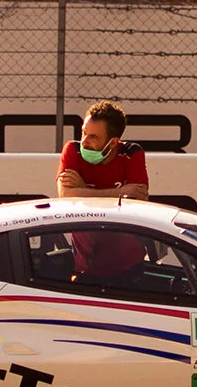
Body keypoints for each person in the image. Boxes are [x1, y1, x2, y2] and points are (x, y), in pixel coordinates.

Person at [57, 100, 150, 282]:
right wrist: (118, 193)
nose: (84, 141)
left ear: (113, 142)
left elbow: (137, 201)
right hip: (85, 267)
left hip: (129, 266)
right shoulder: (72, 150)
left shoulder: (132, 153)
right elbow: (66, 195)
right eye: (84, 132)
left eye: (94, 137)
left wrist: (82, 190)